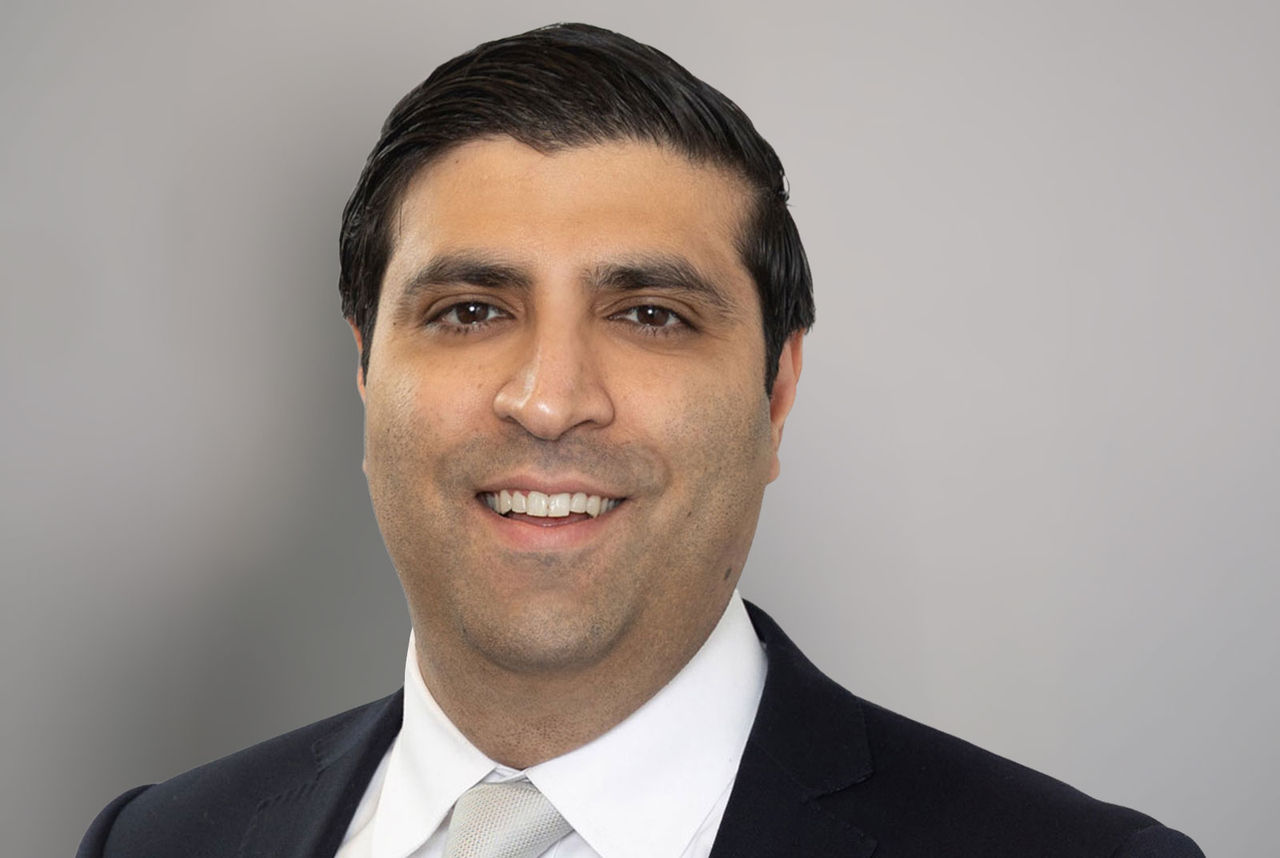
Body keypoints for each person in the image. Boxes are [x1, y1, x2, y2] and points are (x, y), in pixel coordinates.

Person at [79, 23, 1203, 858]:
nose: (549, 400)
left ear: (775, 393)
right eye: (470, 310)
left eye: (650, 316)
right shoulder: (157, 842)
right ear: (366, 371)